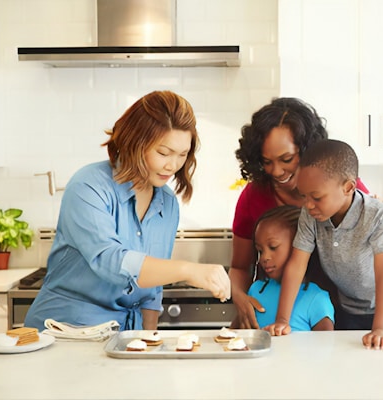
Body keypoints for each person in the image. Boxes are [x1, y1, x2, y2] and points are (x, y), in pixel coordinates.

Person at [25, 90, 231, 331]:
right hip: (66, 331)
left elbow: (152, 290)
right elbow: (109, 260)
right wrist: (187, 270)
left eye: (182, 155)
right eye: (163, 153)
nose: (172, 165)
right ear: (136, 142)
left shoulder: (167, 202)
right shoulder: (88, 185)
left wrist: (148, 341)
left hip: (124, 336)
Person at [230, 97, 370, 329]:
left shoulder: (340, 188)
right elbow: (240, 267)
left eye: (286, 159)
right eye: (266, 161)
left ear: (307, 151)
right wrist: (239, 297)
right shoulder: (254, 196)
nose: (276, 171)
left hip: (345, 309)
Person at [267, 139, 383, 350]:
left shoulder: (376, 214)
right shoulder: (310, 215)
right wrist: (282, 320)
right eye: (304, 196)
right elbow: (297, 265)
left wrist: (380, 328)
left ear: (348, 187)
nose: (308, 204)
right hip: (348, 307)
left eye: (316, 197)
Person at [248, 205, 334, 331]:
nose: (264, 257)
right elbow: (235, 335)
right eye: (260, 251)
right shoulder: (256, 290)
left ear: (300, 247)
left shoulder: (316, 297)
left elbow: (327, 347)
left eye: (273, 247)